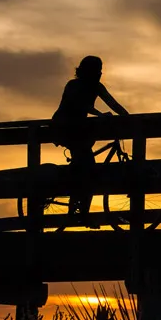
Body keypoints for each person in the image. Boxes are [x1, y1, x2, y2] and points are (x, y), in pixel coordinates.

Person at [51, 55, 129, 221]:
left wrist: (127, 116)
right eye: (97, 70)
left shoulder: (97, 87)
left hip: (79, 129)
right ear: (88, 71)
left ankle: (80, 209)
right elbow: (80, 105)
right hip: (64, 127)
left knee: (86, 167)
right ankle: (79, 210)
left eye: (100, 70)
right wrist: (100, 115)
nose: (100, 73)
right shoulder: (73, 85)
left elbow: (112, 103)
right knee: (88, 168)